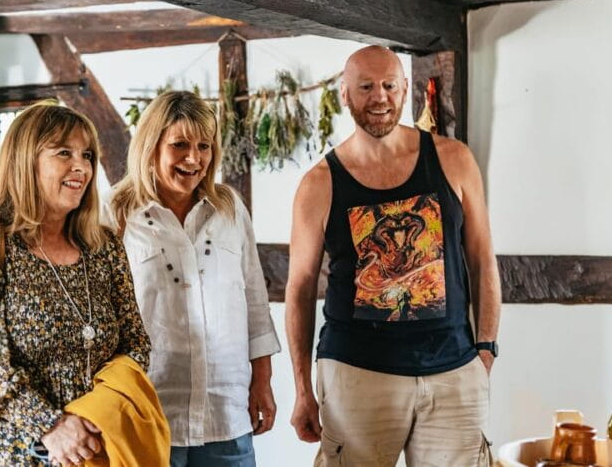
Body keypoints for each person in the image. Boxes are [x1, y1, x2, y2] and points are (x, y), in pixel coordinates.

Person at [286, 46, 502, 467]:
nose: (379, 97)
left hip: (454, 369)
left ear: (405, 88)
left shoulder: (454, 159)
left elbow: (482, 260)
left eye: (389, 85)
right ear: (344, 93)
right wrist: (301, 389)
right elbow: (299, 289)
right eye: (366, 87)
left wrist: (486, 348)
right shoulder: (318, 184)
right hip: (356, 371)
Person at [0, 101, 152, 466]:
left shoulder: (104, 246)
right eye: (64, 152)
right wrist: (50, 425)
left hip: (94, 449)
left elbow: (136, 345)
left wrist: (94, 415)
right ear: (24, 160)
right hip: (8, 454)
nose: (82, 167)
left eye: (87, 155)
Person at [106, 91, 281, 467]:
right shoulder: (115, 213)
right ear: (151, 146)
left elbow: (254, 301)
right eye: (180, 145)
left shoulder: (229, 208)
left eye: (204, 146)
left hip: (226, 413)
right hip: (147, 409)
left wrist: (262, 381)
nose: (194, 158)